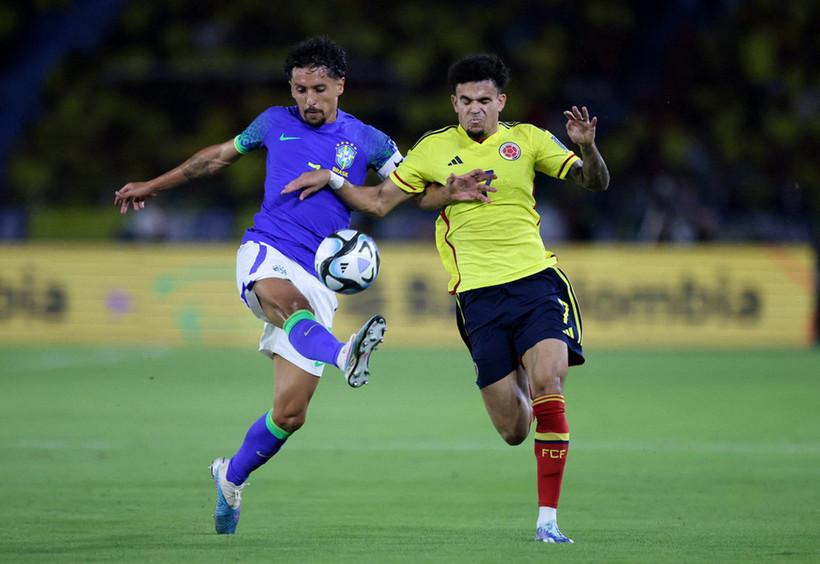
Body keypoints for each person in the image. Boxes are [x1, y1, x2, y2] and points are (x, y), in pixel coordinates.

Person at [112, 37, 485, 535]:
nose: (309, 99)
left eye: (319, 89)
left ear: (340, 86)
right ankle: (345, 354)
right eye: (300, 89)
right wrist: (152, 186)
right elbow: (215, 158)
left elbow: (392, 198)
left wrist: (450, 193)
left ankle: (231, 476)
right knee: (287, 306)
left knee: (289, 415)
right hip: (267, 250)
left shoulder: (370, 140)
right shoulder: (273, 121)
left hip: (319, 277)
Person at [283, 53, 610, 543]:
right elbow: (378, 202)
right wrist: (333, 179)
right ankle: (520, 366)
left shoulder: (529, 140)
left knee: (549, 385)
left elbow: (595, 181)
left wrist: (589, 150)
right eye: (465, 101)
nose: (474, 109)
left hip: (536, 283)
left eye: (484, 100)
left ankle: (548, 521)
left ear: (501, 101)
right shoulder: (433, 151)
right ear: (453, 103)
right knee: (514, 431)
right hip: (477, 299)